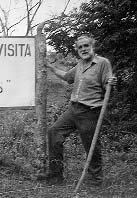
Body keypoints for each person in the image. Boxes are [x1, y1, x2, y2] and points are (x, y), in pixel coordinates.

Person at [37, 35, 117, 186]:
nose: (83, 49)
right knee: (54, 132)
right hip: (74, 109)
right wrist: (51, 67)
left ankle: (95, 180)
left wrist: (111, 83)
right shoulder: (80, 64)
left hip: (90, 111)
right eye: (80, 47)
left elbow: (108, 88)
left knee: (91, 145)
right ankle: (55, 176)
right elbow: (67, 77)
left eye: (86, 46)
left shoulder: (103, 63)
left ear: (92, 46)